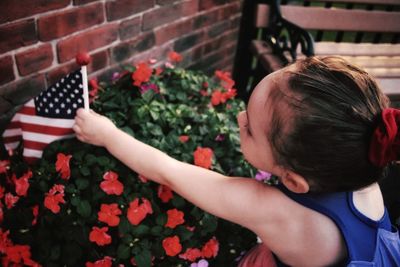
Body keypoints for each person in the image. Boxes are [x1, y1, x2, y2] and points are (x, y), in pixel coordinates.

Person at [73, 56, 400, 266]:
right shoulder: (360, 157)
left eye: (250, 130)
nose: (240, 117)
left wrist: (107, 135)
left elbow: (170, 172)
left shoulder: (276, 212)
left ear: (294, 181)